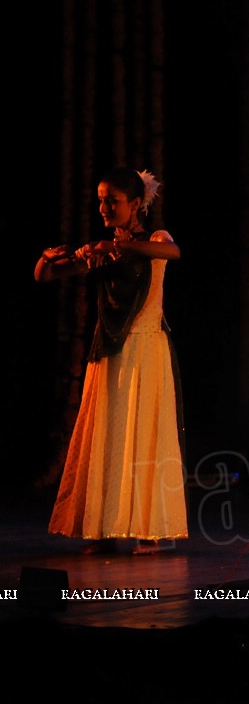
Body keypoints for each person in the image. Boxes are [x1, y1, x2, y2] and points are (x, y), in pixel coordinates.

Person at [35, 167, 188, 555]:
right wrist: (45, 258)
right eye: (101, 199)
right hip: (109, 351)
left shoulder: (154, 238)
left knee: (144, 434)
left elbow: (172, 252)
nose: (104, 207)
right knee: (109, 435)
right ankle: (104, 526)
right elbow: (46, 277)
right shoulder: (102, 251)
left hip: (146, 350)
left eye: (112, 201)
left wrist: (116, 248)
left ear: (136, 204)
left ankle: (151, 529)